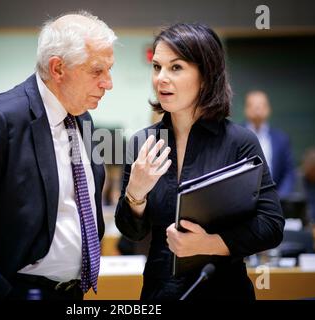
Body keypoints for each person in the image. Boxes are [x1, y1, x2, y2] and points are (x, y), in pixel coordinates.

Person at [0, 11, 116, 300]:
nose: (108, 83)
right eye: (97, 71)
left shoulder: (83, 120)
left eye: (109, 70)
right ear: (58, 69)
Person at [115, 23, 284, 300]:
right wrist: (135, 194)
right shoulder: (141, 142)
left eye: (176, 67)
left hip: (223, 289)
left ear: (206, 75)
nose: (161, 78)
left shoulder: (240, 141)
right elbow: (132, 232)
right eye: (157, 67)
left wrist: (211, 243)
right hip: (160, 291)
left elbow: (271, 226)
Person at [244, 90, 296, 198]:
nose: (257, 108)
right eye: (253, 105)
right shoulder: (236, 136)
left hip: (275, 198)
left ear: (268, 109)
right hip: (243, 197)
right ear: (246, 109)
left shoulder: (281, 139)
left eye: (261, 105)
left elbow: (289, 172)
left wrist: (281, 197)